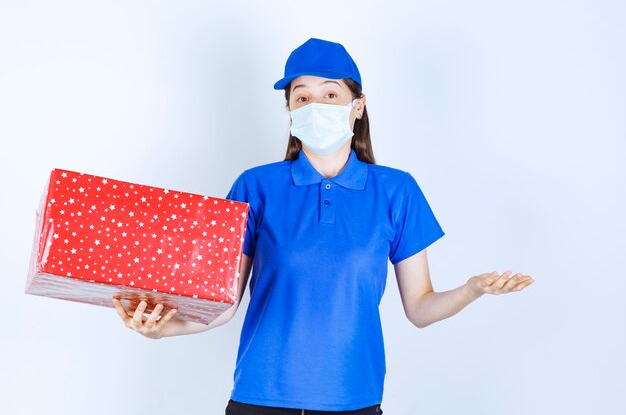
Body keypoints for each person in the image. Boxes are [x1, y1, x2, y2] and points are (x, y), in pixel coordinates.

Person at [113, 37, 535, 414]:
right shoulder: (255, 186)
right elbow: (224, 305)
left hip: (353, 401)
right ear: (291, 110)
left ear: (358, 106)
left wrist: (471, 290)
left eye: (330, 95)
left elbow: (420, 309)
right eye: (302, 98)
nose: (315, 107)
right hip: (260, 398)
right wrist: (161, 330)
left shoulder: (396, 191)